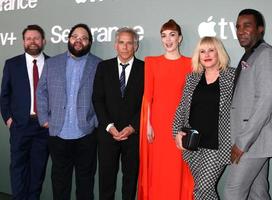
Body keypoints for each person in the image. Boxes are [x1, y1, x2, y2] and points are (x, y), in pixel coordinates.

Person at [37, 23, 102, 200]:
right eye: (75, 36)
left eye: (83, 38)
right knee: (59, 182)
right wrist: (44, 118)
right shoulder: (52, 63)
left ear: (89, 42)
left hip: (86, 134)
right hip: (58, 132)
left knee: (85, 182)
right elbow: (41, 91)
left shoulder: (99, 65)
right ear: (68, 39)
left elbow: (103, 97)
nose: (78, 40)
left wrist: (95, 121)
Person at [223, 9, 272, 200]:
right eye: (238, 27)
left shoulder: (266, 55)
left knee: (232, 192)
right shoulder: (250, 56)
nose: (241, 31)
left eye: (247, 25)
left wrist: (242, 143)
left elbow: (265, 102)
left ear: (260, 29)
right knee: (258, 194)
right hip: (256, 141)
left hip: (253, 141)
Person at [173, 36, 235, 200]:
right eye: (202, 51)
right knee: (200, 190)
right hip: (193, 144)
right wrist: (176, 133)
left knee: (203, 189)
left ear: (218, 52)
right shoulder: (192, 78)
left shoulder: (232, 76)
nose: (206, 55)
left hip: (217, 145)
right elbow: (181, 108)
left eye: (211, 50)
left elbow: (249, 96)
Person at [138, 19, 194, 200]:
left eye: (172, 35)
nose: (168, 40)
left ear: (180, 38)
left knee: (177, 169)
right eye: (164, 36)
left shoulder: (191, 64)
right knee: (158, 169)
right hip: (157, 126)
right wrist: (147, 124)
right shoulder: (151, 62)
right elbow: (148, 96)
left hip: (180, 126)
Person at [92, 27, 144, 200]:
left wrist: (133, 127)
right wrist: (109, 126)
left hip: (133, 136)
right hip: (108, 135)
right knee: (106, 181)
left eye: (130, 43)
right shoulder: (103, 67)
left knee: (130, 181)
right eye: (121, 42)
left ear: (136, 46)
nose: (125, 46)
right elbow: (97, 99)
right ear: (115, 45)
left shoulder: (145, 68)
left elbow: (147, 103)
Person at [0, 24, 49, 200]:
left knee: (38, 169)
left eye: (36, 38)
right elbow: (4, 95)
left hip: (44, 127)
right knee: (18, 168)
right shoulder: (12, 64)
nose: (32, 42)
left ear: (43, 41)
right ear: (23, 42)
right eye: (28, 38)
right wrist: (9, 120)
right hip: (20, 125)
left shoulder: (54, 63)